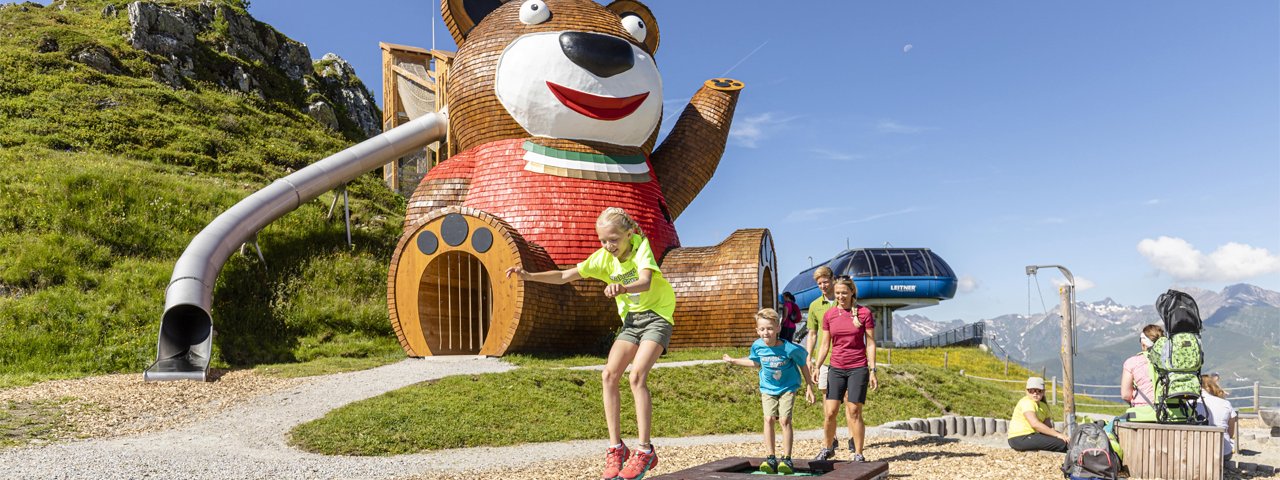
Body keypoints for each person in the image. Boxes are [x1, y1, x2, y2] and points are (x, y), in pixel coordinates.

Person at [505, 207, 674, 480]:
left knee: (637, 376)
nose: (609, 246)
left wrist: (621, 287)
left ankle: (645, 451)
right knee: (609, 374)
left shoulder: (641, 248)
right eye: (604, 241)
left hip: (657, 316)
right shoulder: (602, 258)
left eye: (614, 240)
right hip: (632, 321)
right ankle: (616, 448)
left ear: (629, 234)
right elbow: (564, 276)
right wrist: (528, 276)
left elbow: (644, 281)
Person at [723, 309, 815, 474]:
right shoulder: (757, 346)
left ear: (778, 328)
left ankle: (786, 459)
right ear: (757, 330)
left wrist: (809, 385)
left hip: (788, 387)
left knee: (785, 420)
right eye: (762, 329)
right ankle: (771, 457)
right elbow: (755, 363)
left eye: (770, 328)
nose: (766, 332)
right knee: (769, 418)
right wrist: (734, 361)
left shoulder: (789, 348)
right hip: (768, 388)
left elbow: (802, 364)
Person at [810, 276, 877, 462]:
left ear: (852, 292)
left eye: (844, 293)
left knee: (854, 411)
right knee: (830, 412)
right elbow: (824, 345)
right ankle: (827, 447)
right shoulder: (829, 315)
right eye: (838, 293)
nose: (840, 296)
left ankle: (858, 453)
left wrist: (873, 370)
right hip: (836, 367)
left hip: (858, 368)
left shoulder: (864, 313)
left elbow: (870, 344)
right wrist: (816, 366)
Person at [803, 266, 839, 449]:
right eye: (819, 284)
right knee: (827, 397)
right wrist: (809, 357)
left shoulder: (843, 301)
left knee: (848, 400)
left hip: (844, 357)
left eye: (826, 282)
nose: (823, 286)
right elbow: (812, 334)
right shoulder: (815, 305)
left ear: (833, 279)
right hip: (824, 359)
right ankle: (831, 437)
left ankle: (852, 436)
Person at [1007, 377, 1069, 452]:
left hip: (1032, 435)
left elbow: (1048, 427)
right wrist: (1058, 435)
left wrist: (1061, 435)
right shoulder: (1027, 402)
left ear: (1043, 392)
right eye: (1031, 391)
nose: (1035, 393)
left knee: (1065, 441)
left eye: (1038, 391)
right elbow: (1035, 424)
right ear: (1026, 391)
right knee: (1062, 444)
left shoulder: (1044, 406)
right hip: (1019, 437)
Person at [1197, 374, 1238, 464]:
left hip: (1197, 453)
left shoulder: (1191, 403)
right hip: (1223, 452)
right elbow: (1231, 434)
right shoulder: (1226, 404)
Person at [1121, 324, 1165, 407]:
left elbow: (1125, 395)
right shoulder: (1171, 361)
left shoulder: (1132, 362)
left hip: (1143, 410)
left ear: (1143, 342)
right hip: (1171, 411)